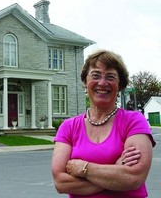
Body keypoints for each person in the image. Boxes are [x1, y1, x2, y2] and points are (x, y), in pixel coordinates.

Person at [51, 49, 156, 198]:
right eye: (95, 75)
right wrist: (116, 171)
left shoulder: (133, 121)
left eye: (110, 77)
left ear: (119, 84)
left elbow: (133, 177)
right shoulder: (68, 127)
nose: (102, 82)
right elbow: (61, 183)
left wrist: (84, 168)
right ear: (85, 81)